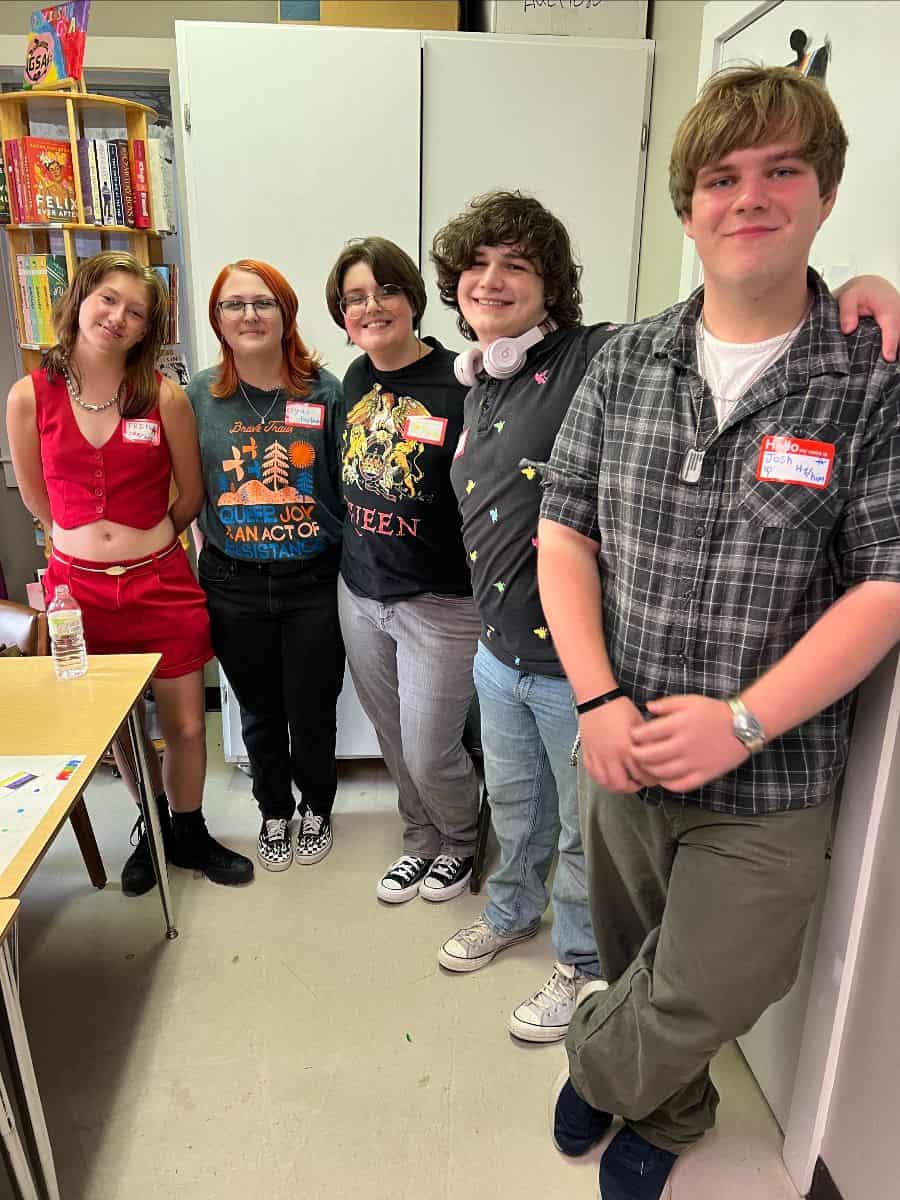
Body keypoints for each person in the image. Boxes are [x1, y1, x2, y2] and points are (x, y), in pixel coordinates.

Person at [537, 66, 900, 1200]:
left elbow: (888, 581)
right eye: (722, 177)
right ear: (688, 208)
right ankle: (673, 1103)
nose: (749, 197)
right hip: (621, 749)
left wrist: (742, 722)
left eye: (781, 170)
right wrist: (597, 701)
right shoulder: (623, 360)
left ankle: (602, 1056)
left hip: (774, 770)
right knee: (643, 947)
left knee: (715, 983)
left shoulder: (871, 377)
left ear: (824, 194)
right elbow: (565, 536)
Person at [431, 187, 900, 1050]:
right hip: (500, 650)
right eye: (476, 265)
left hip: (576, 667)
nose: (491, 281)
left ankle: (579, 972)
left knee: (584, 839)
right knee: (519, 805)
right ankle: (509, 912)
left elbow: (751, 303)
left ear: (555, 286)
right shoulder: (478, 384)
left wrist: (860, 290)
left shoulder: (597, 355)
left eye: (517, 266)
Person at [6, 251, 253, 894]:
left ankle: (189, 829)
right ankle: (150, 825)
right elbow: (38, 500)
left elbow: (191, 496)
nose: (118, 317)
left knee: (186, 724)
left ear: (149, 329)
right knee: (122, 728)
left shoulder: (163, 397)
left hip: (160, 582)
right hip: (78, 592)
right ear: (81, 300)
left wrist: (144, 548)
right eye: (107, 300)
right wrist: (87, 551)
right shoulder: (30, 397)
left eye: (136, 311)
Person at [325, 238, 481, 903]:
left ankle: (463, 840)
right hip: (361, 589)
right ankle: (420, 837)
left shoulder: (462, 382)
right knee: (392, 736)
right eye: (355, 297)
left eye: (385, 290)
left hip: (441, 601)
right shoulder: (357, 377)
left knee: (430, 748)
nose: (371, 306)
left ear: (412, 298)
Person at [187, 261, 345, 872]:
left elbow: (347, 486)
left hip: (314, 580)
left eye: (263, 304)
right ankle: (273, 810)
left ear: (285, 314)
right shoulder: (197, 396)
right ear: (218, 320)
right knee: (259, 709)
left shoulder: (323, 390)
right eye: (234, 305)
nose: (249, 316)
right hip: (233, 581)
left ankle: (318, 807)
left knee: (312, 707)